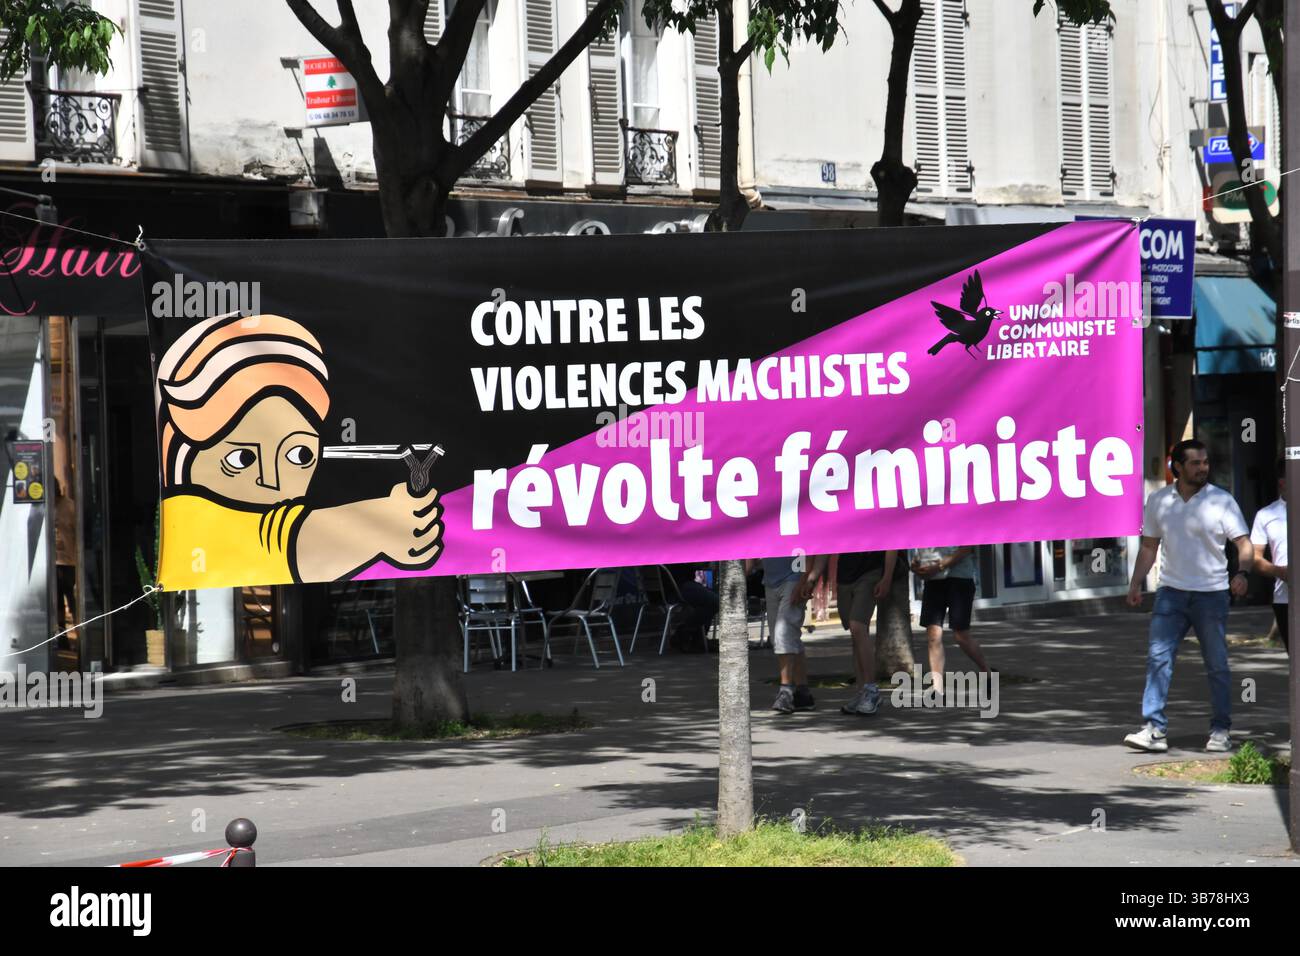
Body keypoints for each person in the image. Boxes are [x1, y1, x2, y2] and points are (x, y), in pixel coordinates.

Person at [155, 313, 442, 589]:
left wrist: (389, 525)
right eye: (240, 458)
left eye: (299, 455)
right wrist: (381, 528)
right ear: (183, 456)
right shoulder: (188, 513)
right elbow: (283, 540)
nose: (273, 481)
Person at [1124, 439, 1254, 753]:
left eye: (1205, 462)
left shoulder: (1221, 500)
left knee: (1217, 664)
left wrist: (1243, 573)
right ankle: (1154, 729)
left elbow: (1244, 544)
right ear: (1177, 466)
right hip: (1171, 593)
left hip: (1211, 594)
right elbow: (1148, 547)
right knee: (1158, 658)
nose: (1203, 468)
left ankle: (1221, 730)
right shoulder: (1158, 500)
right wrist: (1136, 583)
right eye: (1195, 463)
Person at [801, 550, 897, 716]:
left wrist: (887, 577)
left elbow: (891, 544)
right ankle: (862, 693)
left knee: (857, 626)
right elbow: (826, 547)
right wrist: (811, 579)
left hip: (871, 572)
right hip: (845, 577)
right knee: (856, 635)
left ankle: (871, 690)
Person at [912, 545, 990, 691]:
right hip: (933, 581)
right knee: (933, 635)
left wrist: (940, 566)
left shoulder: (962, 521)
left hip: (959, 579)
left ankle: (986, 671)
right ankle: (937, 687)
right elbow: (921, 549)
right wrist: (916, 563)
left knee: (961, 635)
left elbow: (966, 548)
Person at [751, 555, 816, 714]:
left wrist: (803, 581)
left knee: (783, 634)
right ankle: (803, 692)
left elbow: (807, 549)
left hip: (793, 577)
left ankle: (785, 690)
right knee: (783, 637)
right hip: (770, 580)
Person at [1250, 460, 1289, 653]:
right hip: (1284, 599)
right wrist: (1280, 572)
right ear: (1282, 482)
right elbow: (1254, 558)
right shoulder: (1266, 515)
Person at [666, 562, 719, 653]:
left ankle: (699, 637)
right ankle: (684, 632)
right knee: (715, 600)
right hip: (678, 585)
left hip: (686, 581)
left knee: (712, 592)